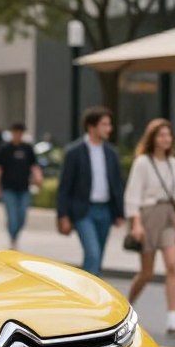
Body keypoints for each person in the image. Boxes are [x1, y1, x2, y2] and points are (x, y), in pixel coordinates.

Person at [124, 118, 175, 336]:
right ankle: (127, 305)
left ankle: (172, 319)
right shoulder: (142, 163)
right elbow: (132, 195)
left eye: (168, 135)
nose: (166, 139)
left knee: (172, 266)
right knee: (147, 272)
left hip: (169, 214)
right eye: (161, 135)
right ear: (153, 138)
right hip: (148, 216)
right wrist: (136, 224)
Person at [56, 106, 125, 277]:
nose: (109, 128)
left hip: (106, 211)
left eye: (109, 124)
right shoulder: (74, 152)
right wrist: (63, 215)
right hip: (84, 211)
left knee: (98, 257)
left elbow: (117, 183)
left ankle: (92, 293)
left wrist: (119, 212)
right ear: (91, 126)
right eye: (104, 124)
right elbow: (65, 186)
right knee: (93, 254)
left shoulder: (111, 152)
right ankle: (89, 297)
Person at [0, 122, 42, 247]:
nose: (18, 135)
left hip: (24, 188)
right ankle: (13, 238)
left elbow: (34, 165)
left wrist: (38, 178)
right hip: (8, 189)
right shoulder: (4, 149)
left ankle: (15, 234)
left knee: (22, 217)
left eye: (20, 133)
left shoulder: (27, 148)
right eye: (15, 132)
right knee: (13, 216)